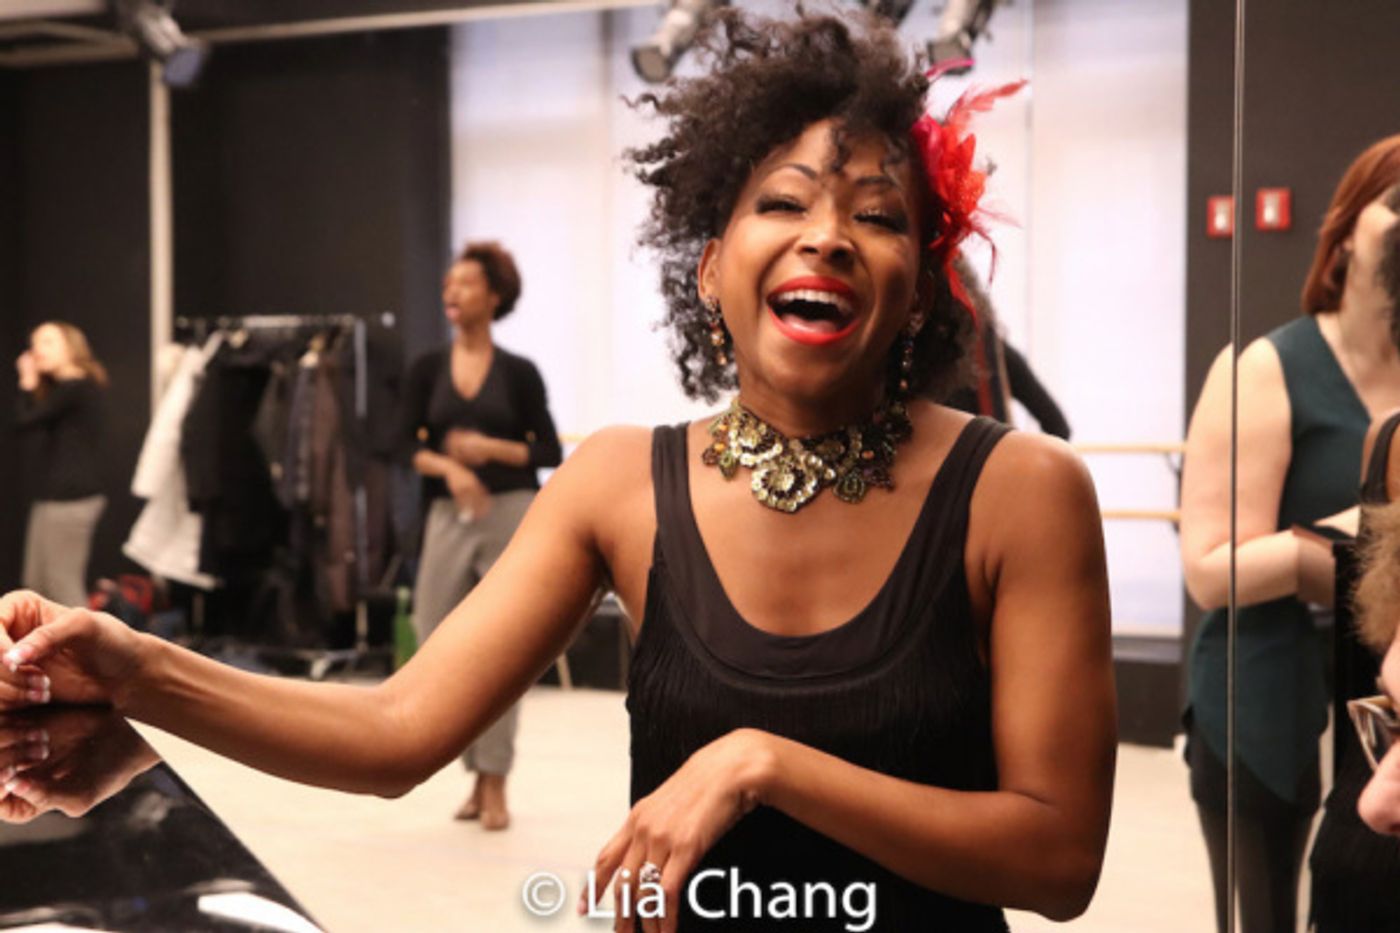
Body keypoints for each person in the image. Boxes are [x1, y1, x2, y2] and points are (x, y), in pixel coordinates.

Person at [0, 13, 1115, 931]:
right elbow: (394, 733)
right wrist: (138, 666)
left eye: (875, 216)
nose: (825, 235)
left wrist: (759, 764)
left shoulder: (1020, 493)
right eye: (782, 202)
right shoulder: (619, 483)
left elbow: (1058, 857)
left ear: (919, 292)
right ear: (710, 269)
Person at [1179, 134, 1400, 933]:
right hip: (1265, 686)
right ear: (1343, 235)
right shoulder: (1263, 368)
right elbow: (1209, 570)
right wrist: (1361, 537)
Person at [399, 240, 563, 829]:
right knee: (435, 639)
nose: (452, 292)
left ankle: (494, 781)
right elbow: (404, 444)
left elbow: (547, 450)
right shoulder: (427, 368)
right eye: (449, 284)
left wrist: (489, 449)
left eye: (466, 283)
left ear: (494, 297)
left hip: (511, 511)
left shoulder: (519, 373)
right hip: (448, 513)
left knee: (502, 647)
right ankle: (474, 773)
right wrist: (450, 467)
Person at [13, 322, 109, 608]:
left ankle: (86, 639)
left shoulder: (77, 387)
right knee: (36, 584)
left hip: (71, 500)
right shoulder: (66, 390)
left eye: (47, 342)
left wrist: (27, 381)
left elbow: (25, 420)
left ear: (71, 346)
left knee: (61, 584)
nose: (36, 350)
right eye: (34, 343)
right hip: (54, 498)